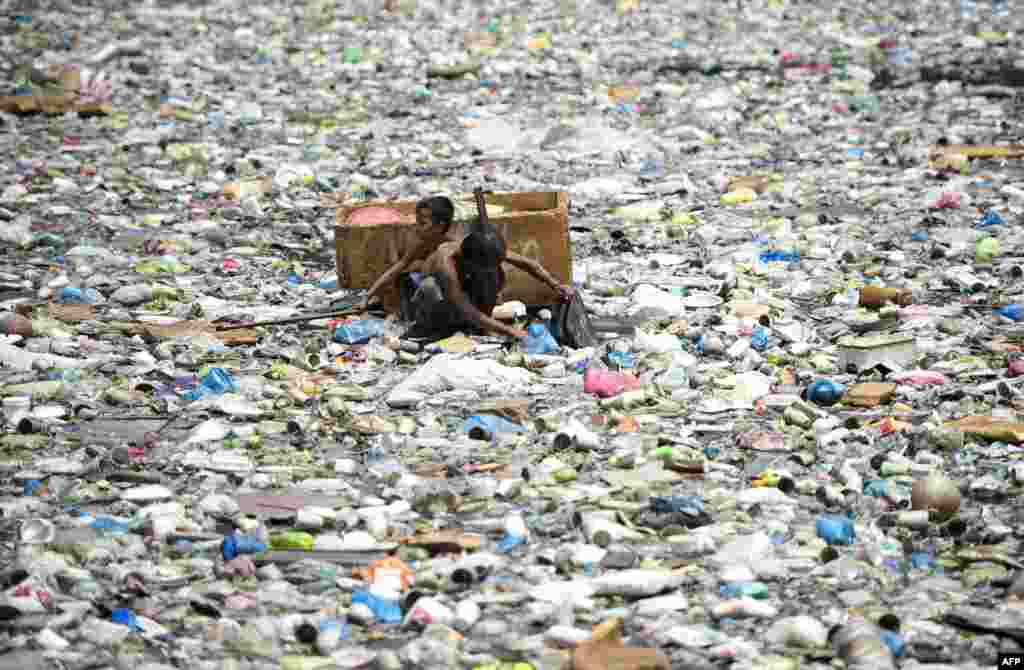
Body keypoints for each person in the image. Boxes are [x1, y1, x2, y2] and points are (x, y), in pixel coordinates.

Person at [402, 220, 574, 340]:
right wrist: (508, 330)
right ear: (469, 261)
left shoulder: (484, 248)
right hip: (426, 298)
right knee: (430, 288)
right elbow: (465, 308)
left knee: (495, 274)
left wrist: (556, 285)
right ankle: (432, 329)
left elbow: (527, 264)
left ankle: (480, 326)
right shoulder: (446, 263)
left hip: (462, 291)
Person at [359, 196, 456, 311]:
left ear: (440, 226)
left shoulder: (449, 248)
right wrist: (368, 295)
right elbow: (395, 270)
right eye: (417, 222)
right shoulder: (420, 245)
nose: (417, 228)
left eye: (422, 224)